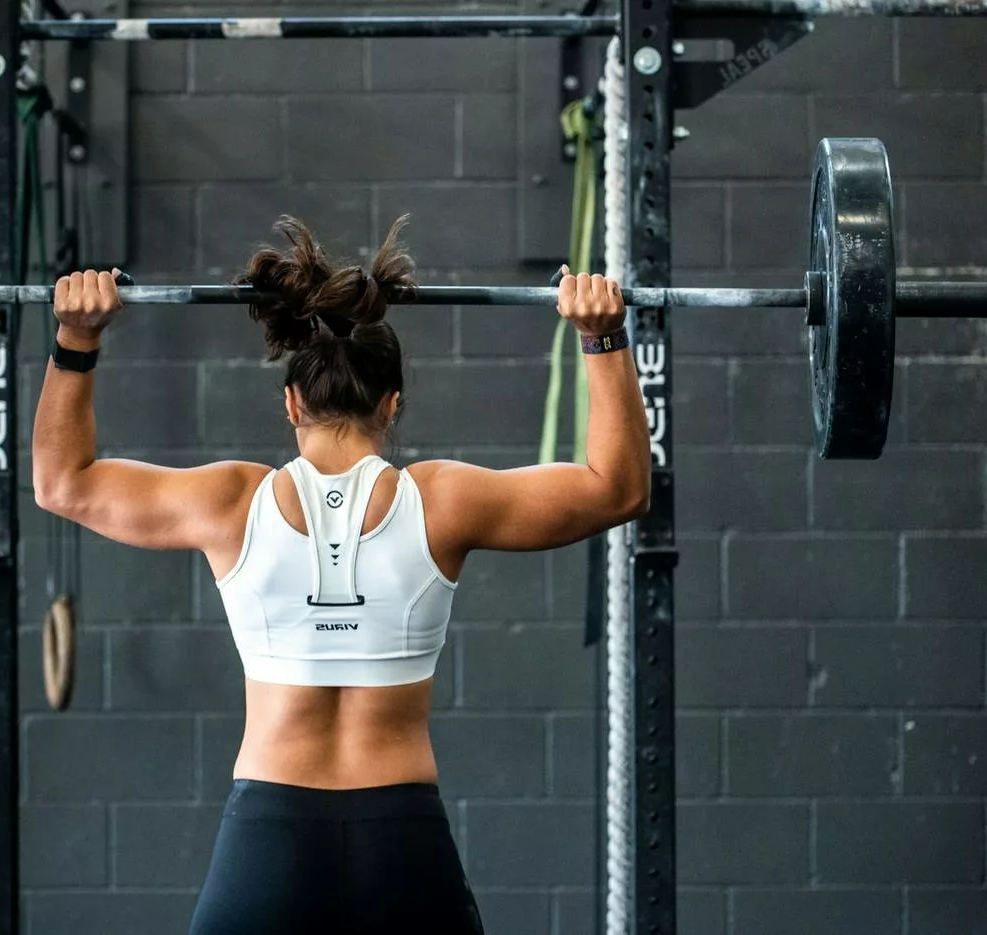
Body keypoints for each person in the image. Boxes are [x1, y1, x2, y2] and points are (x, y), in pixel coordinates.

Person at [32, 217, 650, 935]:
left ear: (291, 401)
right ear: (393, 402)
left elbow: (62, 483)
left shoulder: (230, 502)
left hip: (268, 837)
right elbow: (619, 488)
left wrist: (76, 340)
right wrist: (601, 339)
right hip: (403, 843)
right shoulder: (442, 501)